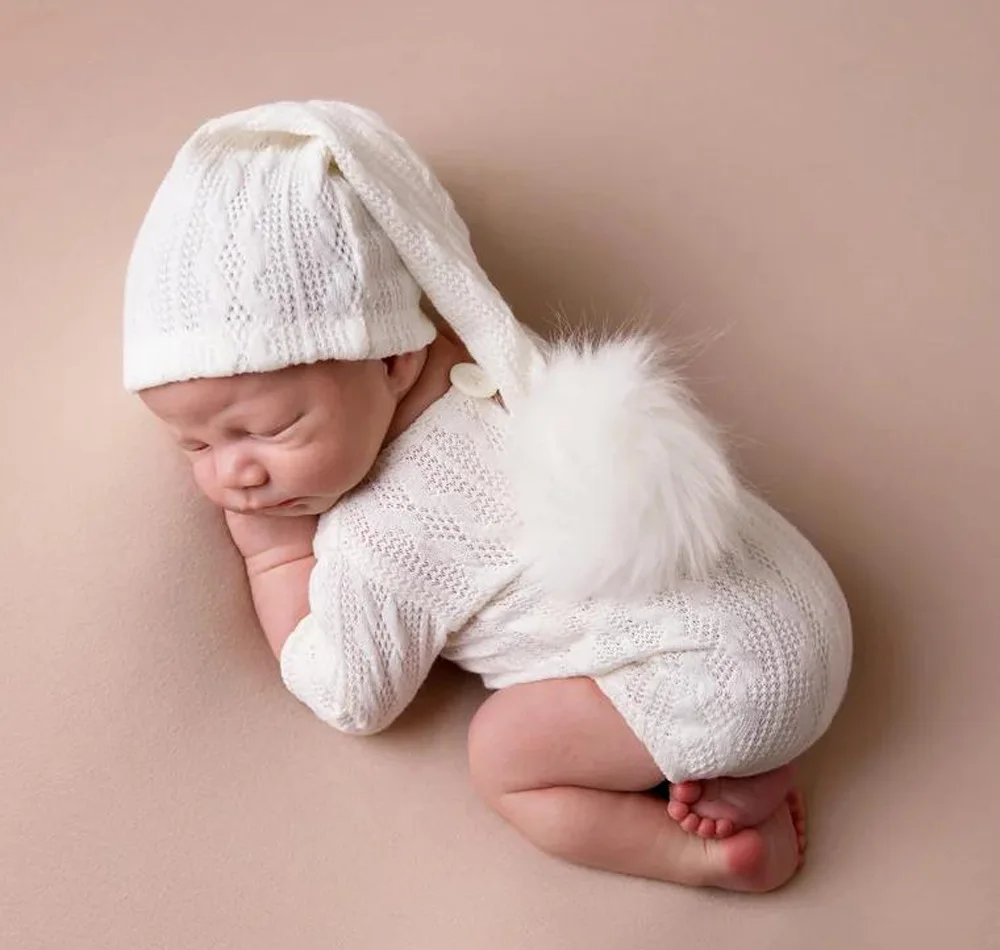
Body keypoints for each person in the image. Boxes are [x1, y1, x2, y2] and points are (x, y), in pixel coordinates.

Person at [125, 101, 851, 893]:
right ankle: (743, 766)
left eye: (270, 427)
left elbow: (351, 698)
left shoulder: (386, 536)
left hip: (718, 686)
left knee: (504, 757)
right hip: (808, 609)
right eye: (193, 444)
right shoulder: (497, 357)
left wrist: (276, 558)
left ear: (394, 362)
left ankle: (710, 855)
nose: (234, 474)